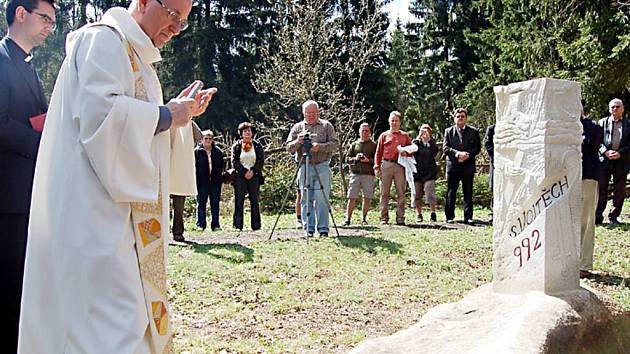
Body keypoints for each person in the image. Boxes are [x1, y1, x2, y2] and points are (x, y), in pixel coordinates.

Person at [18, 1, 217, 353]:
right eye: (172, 16)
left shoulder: (136, 58)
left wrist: (176, 117)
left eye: (182, 23)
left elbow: (139, 125)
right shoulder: (102, 42)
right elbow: (102, 120)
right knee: (104, 331)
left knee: (126, 327)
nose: (175, 29)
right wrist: (168, 115)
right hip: (93, 224)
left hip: (122, 224)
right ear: (143, 2)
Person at [0, 0, 55, 351]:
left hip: (28, 192)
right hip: (6, 194)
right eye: (45, 18)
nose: (51, 26)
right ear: (21, 13)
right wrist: (43, 143)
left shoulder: (29, 67)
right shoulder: (1, 60)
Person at [286, 100, 338, 237]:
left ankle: (323, 229)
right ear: (303, 113)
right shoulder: (297, 127)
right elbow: (288, 147)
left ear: (318, 112)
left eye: (313, 113)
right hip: (303, 165)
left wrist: (319, 147)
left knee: (322, 197)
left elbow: (334, 144)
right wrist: (299, 141)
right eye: (308, 113)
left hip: (322, 165)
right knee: (305, 197)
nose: (311, 115)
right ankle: (308, 229)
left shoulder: (326, 126)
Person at [443, 108, 481, 224]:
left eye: (462, 116)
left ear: (466, 118)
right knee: (451, 192)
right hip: (453, 166)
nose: (460, 118)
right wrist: (457, 154)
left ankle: (468, 217)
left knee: (468, 192)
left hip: (467, 166)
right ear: (454, 118)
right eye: (458, 116)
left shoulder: (474, 132)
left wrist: (467, 155)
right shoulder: (448, 131)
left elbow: (477, 148)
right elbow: (446, 148)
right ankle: (449, 216)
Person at [374, 111, 412, 225]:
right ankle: (383, 217)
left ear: (400, 122)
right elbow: (378, 152)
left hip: (400, 166)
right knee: (384, 192)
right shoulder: (384, 135)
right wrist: (376, 166)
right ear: (389, 121)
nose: (394, 123)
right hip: (386, 165)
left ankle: (400, 217)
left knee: (401, 192)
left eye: (396, 121)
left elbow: (412, 150)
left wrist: (407, 153)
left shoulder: (405, 136)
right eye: (392, 120)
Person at [596, 98, 629, 225]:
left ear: (623, 108)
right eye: (612, 107)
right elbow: (597, 141)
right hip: (604, 161)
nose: (615, 109)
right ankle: (598, 216)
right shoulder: (602, 123)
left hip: (622, 161)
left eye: (617, 107)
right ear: (609, 109)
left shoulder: (628, 124)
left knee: (619, 190)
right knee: (601, 189)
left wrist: (620, 152)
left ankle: (614, 216)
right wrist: (605, 152)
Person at [579, 102, 602, 278]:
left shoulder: (592, 126)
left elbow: (591, 144)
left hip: (587, 177)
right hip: (566, 180)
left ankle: (584, 265)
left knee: (586, 221)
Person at [171, 120, 202, 241]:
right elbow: (200, 137)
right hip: (177, 168)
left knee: (176, 205)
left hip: (175, 168)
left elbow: (200, 137)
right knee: (177, 206)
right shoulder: (188, 122)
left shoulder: (188, 122)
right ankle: (176, 233)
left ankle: (176, 232)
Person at [231, 122, 265, 231]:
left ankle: (256, 226)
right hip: (240, 177)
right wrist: (244, 171)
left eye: (249, 131)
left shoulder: (257, 145)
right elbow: (234, 161)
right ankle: (237, 225)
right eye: (245, 131)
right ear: (241, 133)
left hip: (254, 176)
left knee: (254, 201)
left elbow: (261, 160)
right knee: (239, 201)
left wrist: (253, 171)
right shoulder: (236, 146)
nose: (247, 132)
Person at [344, 122, 377, 226]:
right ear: (359, 132)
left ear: (370, 132)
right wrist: (355, 158)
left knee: (367, 197)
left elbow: (377, 160)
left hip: (369, 174)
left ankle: (364, 218)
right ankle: (348, 219)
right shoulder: (354, 145)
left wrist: (368, 160)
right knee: (351, 197)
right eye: (363, 130)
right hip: (355, 174)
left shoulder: (374, 145)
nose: (365, 133)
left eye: (367, 131)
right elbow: (347, 159)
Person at [195, 129, 224, 232]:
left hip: (215, 183)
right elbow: (194, 168)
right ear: (202, 139)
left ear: (213, 140)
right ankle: (200, 225)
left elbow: (221, 167)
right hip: (201, 183)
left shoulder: (218, 152)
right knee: (201, 204)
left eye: (210, 138)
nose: (207, 140)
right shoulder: (196, 152)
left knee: (215, 204)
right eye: (205, 138)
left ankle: (215, 225)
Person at [412, 124, 438, 223]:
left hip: (429, 172)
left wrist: (428, 141)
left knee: (429, 192)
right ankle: (419, 214)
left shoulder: (432, 143)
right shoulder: (416, 142)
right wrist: (419, 138)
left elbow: (434, 152)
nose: (424, 133)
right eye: (422, 131)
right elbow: (412, 150)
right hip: (417, 172)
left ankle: (433, 213)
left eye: (426, 131)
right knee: (417, 194)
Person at [484, 124, 495, 222]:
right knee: (495, 189)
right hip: (496, 163)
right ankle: (493, 212)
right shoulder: (492, 129)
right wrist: (496, 156)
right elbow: (487, 143)